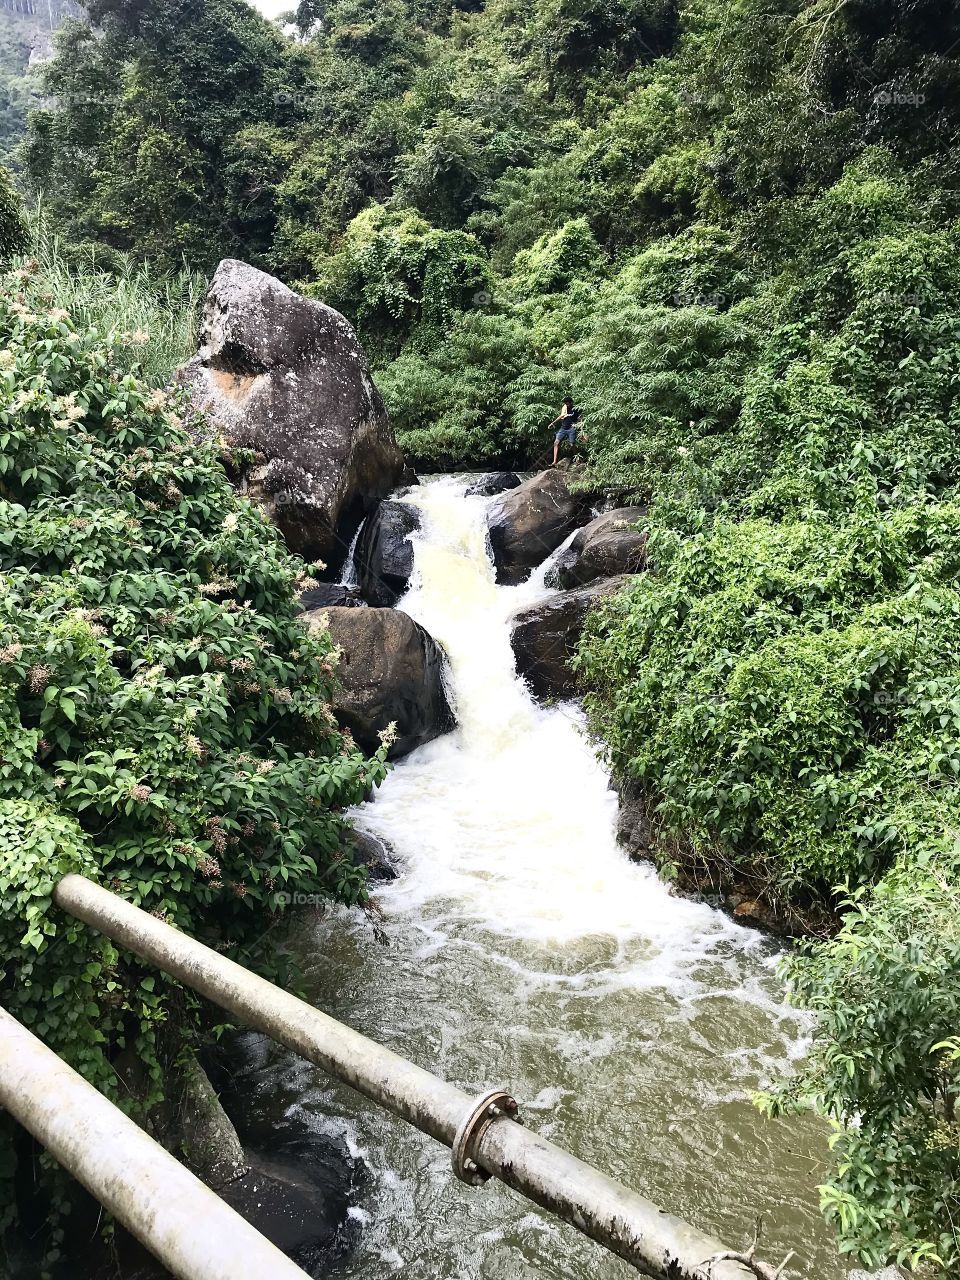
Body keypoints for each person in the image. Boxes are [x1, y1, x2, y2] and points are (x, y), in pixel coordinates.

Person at [549, 396, 587, 466]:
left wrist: (582, 432)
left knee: (572, 444)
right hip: (563, 428)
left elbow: (581, 420)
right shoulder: (564, 408)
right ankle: (554, 461)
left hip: (571, 429)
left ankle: (578, 459)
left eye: (568, 403)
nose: (567, 404)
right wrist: (553, 423)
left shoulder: (576, 409)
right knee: (556, 443)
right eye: (565, 403)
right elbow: (561, 416)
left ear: (571, 402)